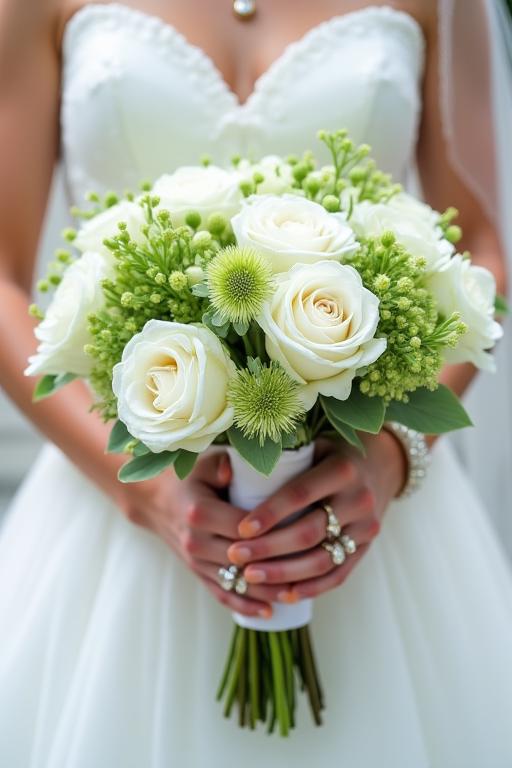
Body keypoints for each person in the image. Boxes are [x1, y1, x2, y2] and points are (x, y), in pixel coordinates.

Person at [0, 1, 512, 765]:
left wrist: (392, 454)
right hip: (112, 503)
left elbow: (481, 255)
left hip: (371, 517)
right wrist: (147, 489)